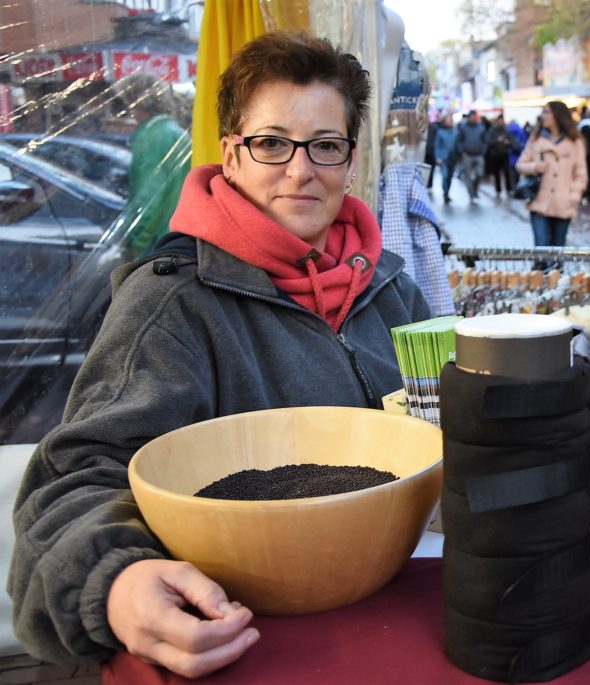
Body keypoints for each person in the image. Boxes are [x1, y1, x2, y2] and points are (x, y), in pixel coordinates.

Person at [9, 31, 430, 678]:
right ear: (230, 155)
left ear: (350, 161)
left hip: (397, 624)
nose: (300, 169)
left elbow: (440, 428)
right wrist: (118, 583)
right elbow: (73, 483)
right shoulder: (172, 306)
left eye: (324, 145)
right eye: (271, 143)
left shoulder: (394, 289)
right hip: (247, 644)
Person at [114, 72, 192, 257]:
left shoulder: (153, 136)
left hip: (157, 242)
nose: (128, 110)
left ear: (137, 101)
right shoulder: (172, 131)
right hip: (176, 236)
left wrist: (137, 243)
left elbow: (150, 198)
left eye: (128, 102)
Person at [514, 101, 587, 247]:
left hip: (563, 202)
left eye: (547, 112)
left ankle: (554, 270)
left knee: (558, 250)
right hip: (540, 201)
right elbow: (520, 164)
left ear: (557, 115)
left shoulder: (574, 141)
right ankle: (540, 269)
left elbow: (580, 173)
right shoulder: (536, 140)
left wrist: (573, 196)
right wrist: (535, 167)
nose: (542, 116)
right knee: (541, 249)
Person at [455, 109, 487, 200]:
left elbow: (484, 140)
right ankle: (471, 194)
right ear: (469, 117)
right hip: (467, 154)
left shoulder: (481, 127)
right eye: (472, 117)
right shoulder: (463, 127)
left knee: (479, 173)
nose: (473, 118)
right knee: (468, 175)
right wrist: (461, 151)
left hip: (478, 154)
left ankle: (475, 189)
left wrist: (483, 150)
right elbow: (459, 140)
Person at [484, 114, 515, 197]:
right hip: (495, 154)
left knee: (506, 171)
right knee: (496, 172)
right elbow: (488, 141)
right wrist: (497, 140)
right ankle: (498, 189)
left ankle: (509, 188)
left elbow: (511, 141)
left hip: (505, 153)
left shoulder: (506, 130)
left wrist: (507, 142)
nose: (501, 122)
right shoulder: (492, 130)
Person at [433, 113, 457, 204]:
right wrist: (438, 157)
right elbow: (437, 146)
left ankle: (448, 192)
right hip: (444, 158)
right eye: (447, 120)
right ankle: (445, 193)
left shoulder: (455, 131)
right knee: (445, 175)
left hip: (453, 157)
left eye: (450, 120)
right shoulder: (440, 132)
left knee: (450, 176)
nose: (449, 122)